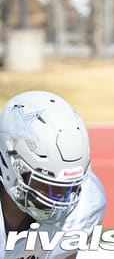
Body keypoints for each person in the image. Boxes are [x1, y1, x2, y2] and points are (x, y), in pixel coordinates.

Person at [0, 90, 106, 258]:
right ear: (9, 165)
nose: (59, 198)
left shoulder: (87, 203)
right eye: (46, 183)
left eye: (70, 186)